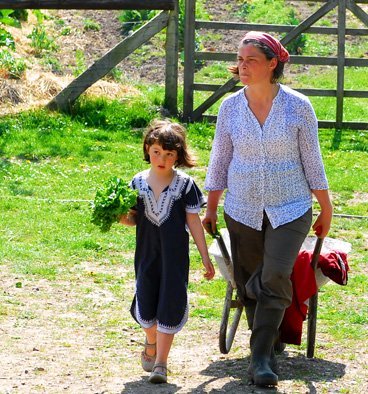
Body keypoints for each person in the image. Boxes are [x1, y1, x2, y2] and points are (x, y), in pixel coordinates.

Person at [202, 31, 333, 387]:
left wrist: (326, 207)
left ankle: (260, 357)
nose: (242, 67)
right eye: (240, 60)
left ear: (272, 64)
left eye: (251, 61)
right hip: (242, 207)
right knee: (248, 280)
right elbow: (219, 161)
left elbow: (312, 161)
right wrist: (211, 207)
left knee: (274, 274)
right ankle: (268, 337)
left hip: (290, 208)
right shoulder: (230, 107)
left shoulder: (298, 107)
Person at [120, 119, 215, 384]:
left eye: (169, 154)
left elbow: (194, 223)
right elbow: (133, 219)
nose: (162, 158)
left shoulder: (185, 186)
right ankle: (150, 340)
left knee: (170, 303)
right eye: (157, 152)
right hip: (146, 257)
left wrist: (205, 257)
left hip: (174, 259)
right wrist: (117, 216)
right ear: (148, 149)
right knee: (147, 305)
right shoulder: (137, 183)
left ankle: (161, 363)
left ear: (178, 156)